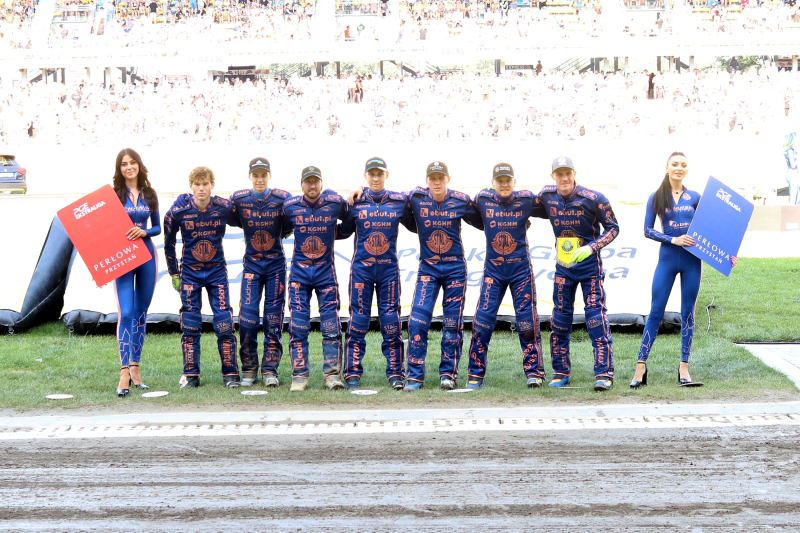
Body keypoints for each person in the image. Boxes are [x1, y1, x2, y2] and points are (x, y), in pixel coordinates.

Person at [632, 152, 737, 388]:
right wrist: (673, 240)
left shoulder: (696, 196)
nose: (679, 168)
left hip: (692, 262)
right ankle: (640, 366)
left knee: (688, 312)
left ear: (687, 169)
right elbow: (647, 231)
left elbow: (714, 228)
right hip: (667, 260)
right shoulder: (656, 197)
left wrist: (728, 253)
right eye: (675, 164)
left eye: (683, 165)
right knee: (656, 311)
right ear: (667, 167)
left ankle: (684, 367)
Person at [533, 156, 619, 391]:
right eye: (559, 174)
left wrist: (591, 247)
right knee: (559, 321)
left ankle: (604, 374)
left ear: (574, 173)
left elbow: (613, 228)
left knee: (596, 320)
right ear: (553, 176)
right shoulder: (547, 196)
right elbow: (522, 206)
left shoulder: (594, 199)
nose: (564, 178)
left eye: (567, 173)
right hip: (563, 269)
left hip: (590, 269)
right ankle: (560, 372)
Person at [404, 161, 484, 391]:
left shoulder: (461, 200)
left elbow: (487, 218)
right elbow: (388, 197)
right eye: (432, 178)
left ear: (448, 178)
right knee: (417, 322)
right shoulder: (416, 197)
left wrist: (516, 224)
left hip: (455, 270)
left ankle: (448, 374)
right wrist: (358, 188)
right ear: (426, 180)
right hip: (428, 270)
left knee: (452, 325)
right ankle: (415, 376)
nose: (437, 182)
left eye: (441, 177)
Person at [338, 157, 416, 391]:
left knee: (391, 323)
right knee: (357, 323)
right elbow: (342, 231)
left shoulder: (399, 201)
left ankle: (395, 373)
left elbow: (417, 223)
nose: (375, 178)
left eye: (379, 174)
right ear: (365, 176)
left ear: (386, 175)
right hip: (361, 272)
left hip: (388, 272)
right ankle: (352, 373)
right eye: (371, 174)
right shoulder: (355, 202)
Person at [466, 163, 545, 389]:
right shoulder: (482, 198)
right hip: (494, 271)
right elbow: (465, 211)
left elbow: (554, 206)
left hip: (521, 270)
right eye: (499, 180)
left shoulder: (527, 199)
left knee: (527, 323)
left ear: (514, 181)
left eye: (508, 180)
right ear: (492, 183)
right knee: (482, 322)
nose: (504, 184)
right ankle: (475, 374)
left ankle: (534, 373)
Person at [163, 167, 240, 389]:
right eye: (197, 184)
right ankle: (191, 375)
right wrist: (173, 272)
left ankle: (230, 373)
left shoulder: (224, 207)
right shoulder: (179, 209)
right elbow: (168, 241)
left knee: (224, 322)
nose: (201, 188)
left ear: (212, 185)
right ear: (191, 187)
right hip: (190, 273)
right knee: (190, 324)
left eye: (205, 184)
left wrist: (281, 230)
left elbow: (249, 221)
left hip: (217, 272)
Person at [283, 166, 350, 392]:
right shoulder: (290, 206)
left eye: (316, 181)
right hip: (299, 276)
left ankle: (332, 375)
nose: (312, 186)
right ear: (301, 184)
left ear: (321, 183)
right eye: (308, 181)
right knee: (298, 328)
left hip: (325, 275)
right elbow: (280, 228)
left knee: (331, 328)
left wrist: (333, 233)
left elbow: (349, 223)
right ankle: (299, 376)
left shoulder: (334, 203)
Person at [229, 158, 292, 387]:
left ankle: (270, 370)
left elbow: (295, 215)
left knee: (273, 320)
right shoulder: (239, 198)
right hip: (252, 267)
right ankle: (249, 368)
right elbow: (224, 211)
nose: (259, 179)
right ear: (249, 177)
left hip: (276, 266)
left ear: (269, 176)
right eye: (255, 175)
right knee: (247, 319)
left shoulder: (282, 198)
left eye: (263, 174)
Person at [112, 148, 160, 397]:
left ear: (139, 165)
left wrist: (144, 232)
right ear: (119, 169)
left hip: (147, 256)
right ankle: (123, 372)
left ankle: (135, 368)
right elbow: (102, 230)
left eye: (132, 163)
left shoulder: (149, 194)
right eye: (123, 164)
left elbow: (158, 227)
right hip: (122, 258)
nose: (129, 167)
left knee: (141, 313)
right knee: (126, 311)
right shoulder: (113, 195)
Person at [785, 133, 799, 205]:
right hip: (791, 173)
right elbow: (793, 165)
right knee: (793, 195)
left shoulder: (791, 150)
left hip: (793, 173)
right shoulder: (790, 150)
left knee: (796, 194)